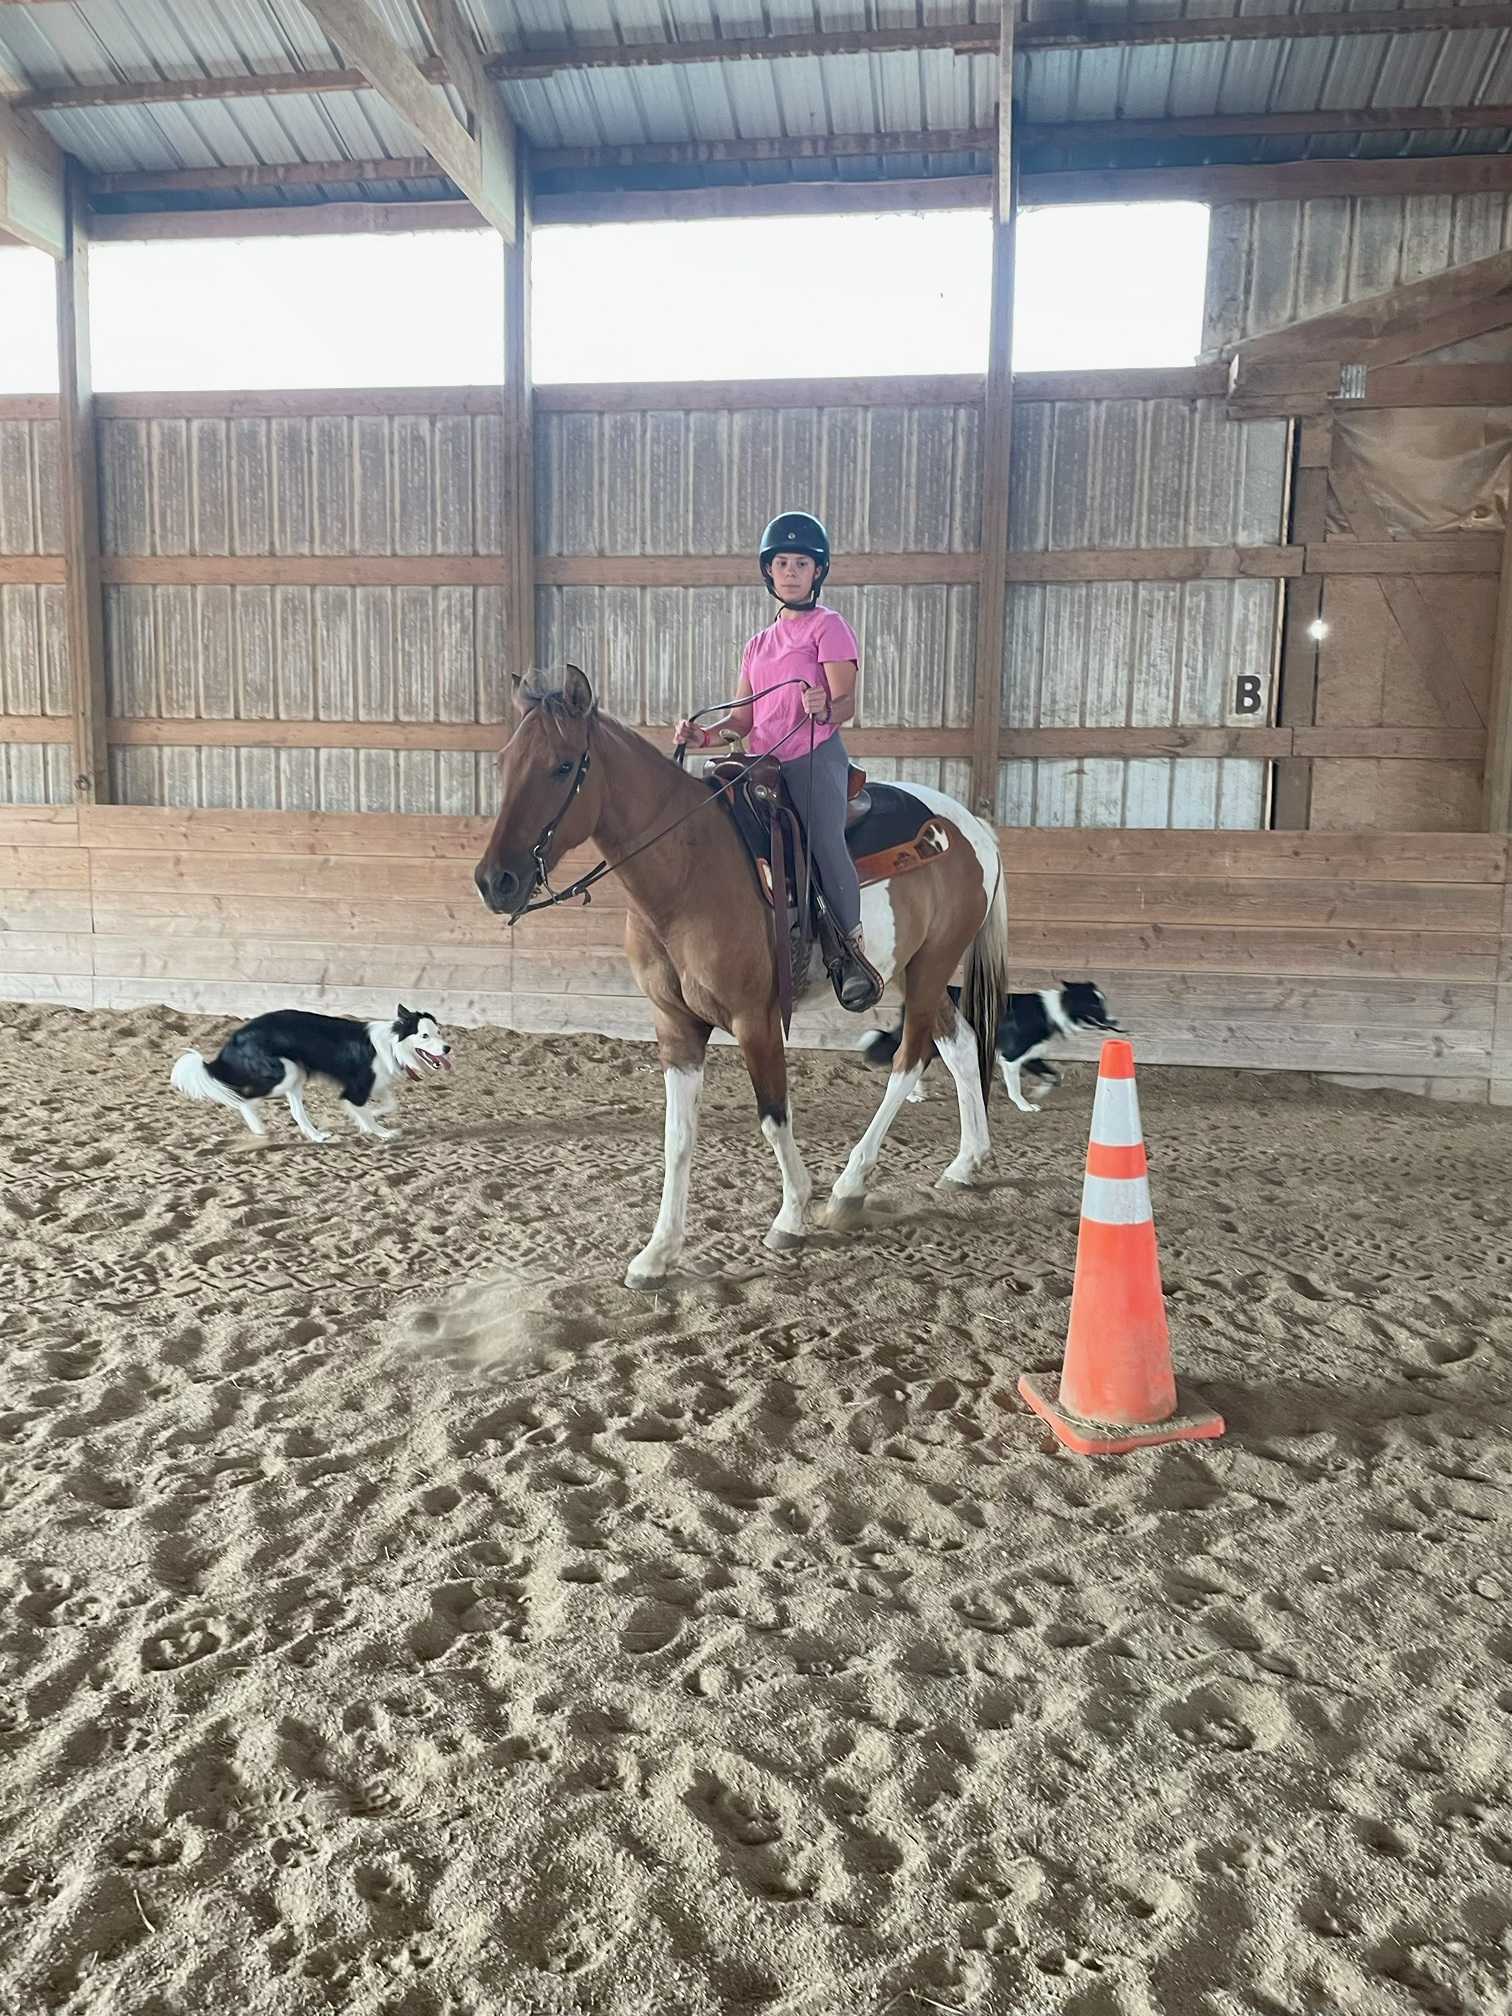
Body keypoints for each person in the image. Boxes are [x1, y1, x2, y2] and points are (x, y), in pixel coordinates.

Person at [675, 510, 883, 1012]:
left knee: (823, 841)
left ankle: (847, 952)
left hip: (813, 755)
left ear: (818, 572)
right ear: (769, 571)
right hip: (761, 762)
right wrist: (704, 735)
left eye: (801, 564)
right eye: (783, 563)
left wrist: (825, 706)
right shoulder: (757, 645)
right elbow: (742, 719)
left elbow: (847, 703)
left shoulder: (829, 627)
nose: (791, 572)